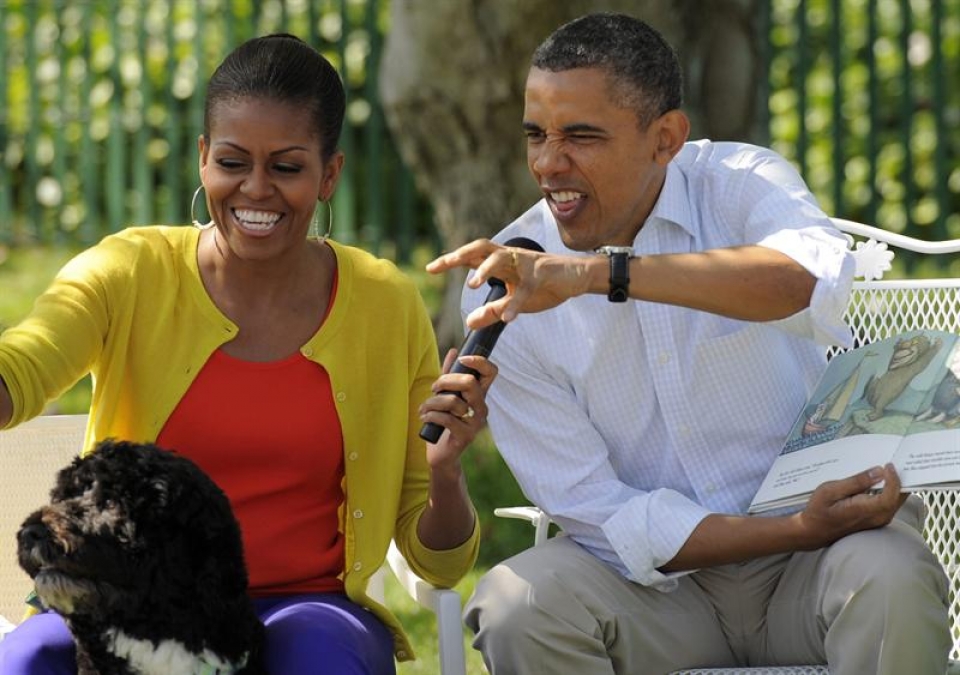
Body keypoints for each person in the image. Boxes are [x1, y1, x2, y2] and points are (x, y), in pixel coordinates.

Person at [426, 12, 950, 675]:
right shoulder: (501, 292)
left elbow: (807, 282)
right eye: (536, 135)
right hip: (657, 589)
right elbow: (602, 515)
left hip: (819, 562)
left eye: (581, 136)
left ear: (666, 137)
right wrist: (793, 526)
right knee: (517, 602)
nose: (548, 164)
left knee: (892, 574)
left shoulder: (739, 182)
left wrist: (598, 275)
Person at [0, 33, 493, 675]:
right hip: (128, 600)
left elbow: (440, 562)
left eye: (286, 167)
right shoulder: (129, 270)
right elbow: (23, 367)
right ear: (203, 159)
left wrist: (449, 469)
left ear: (329, 174)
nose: (255, 190)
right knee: (31, 656)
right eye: (233, 162)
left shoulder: (383, 304)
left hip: (306, 606)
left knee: (324, 660)